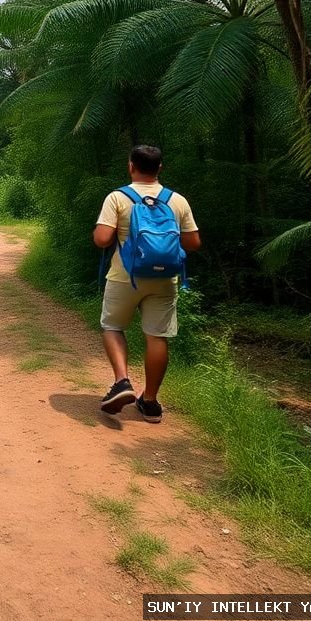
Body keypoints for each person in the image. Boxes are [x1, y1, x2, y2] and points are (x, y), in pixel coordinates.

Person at [91, 145, 200, 423]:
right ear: (160, 168)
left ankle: (122, 381)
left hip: (125, 277)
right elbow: (193, 243)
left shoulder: (118, 197)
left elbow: (102, 239)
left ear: (131, 166)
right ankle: (150, 402)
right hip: (165, 280)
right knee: (157, 336)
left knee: (113, 327)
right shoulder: (176, 200)